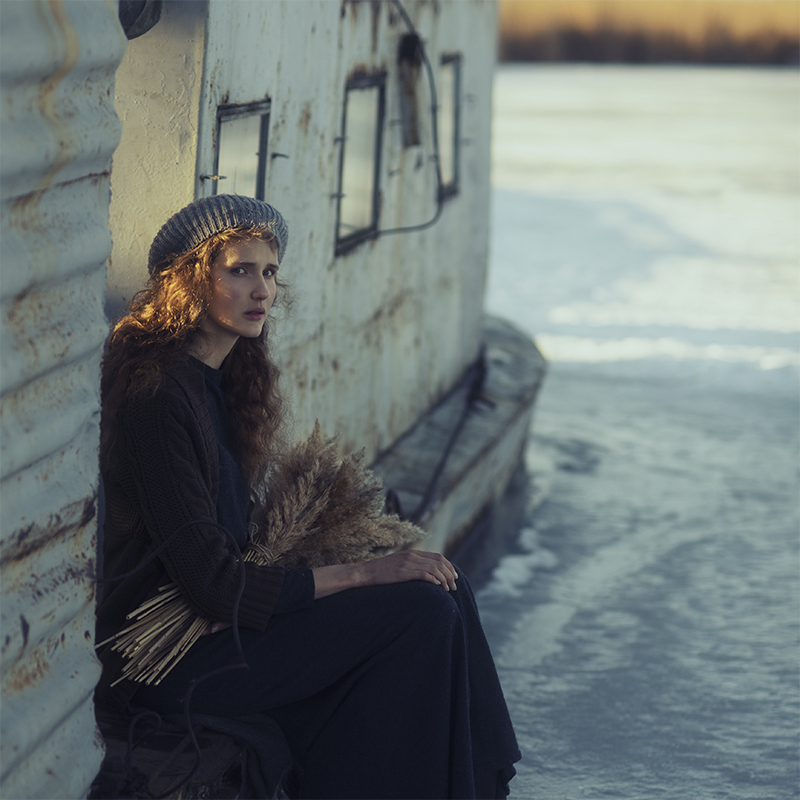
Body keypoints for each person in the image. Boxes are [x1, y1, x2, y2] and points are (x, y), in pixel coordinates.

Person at [95, 194, 520, 799]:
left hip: (215, 629)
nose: (262, 290)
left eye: (269, 272)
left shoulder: (221, 383)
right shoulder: (159, 398)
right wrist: (364, 573)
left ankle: (474, 787)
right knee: (418, 614)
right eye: (240, 270)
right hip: (167, 664)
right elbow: (212, 585)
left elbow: (224, 559)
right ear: (188, 281)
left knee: (447, 588)